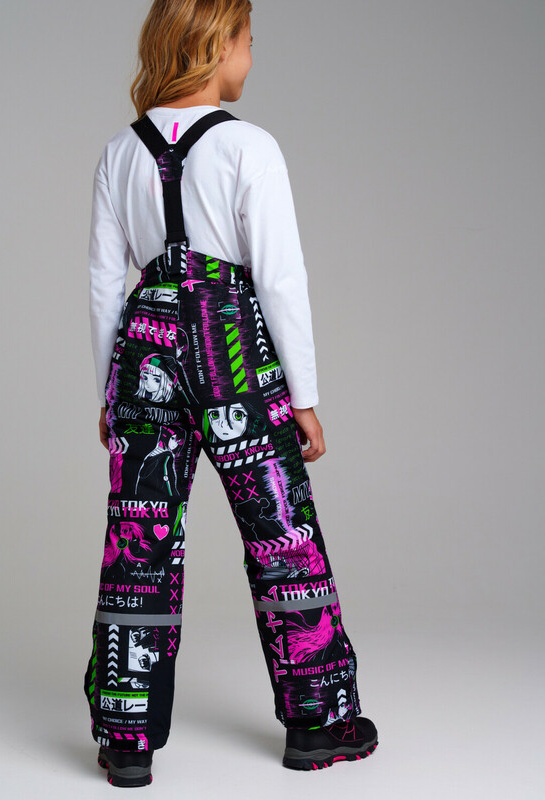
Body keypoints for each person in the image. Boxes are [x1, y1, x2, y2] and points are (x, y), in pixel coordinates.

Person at [83, 0, 378, 788]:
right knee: (280, 533)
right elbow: (279, 276)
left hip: (144, 351)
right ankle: (320, 723)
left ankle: (125, 738)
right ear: (216, 46)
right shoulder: (250, 147)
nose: (252, 54)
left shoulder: (118, 153)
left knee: (139, 536)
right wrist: (303, 395)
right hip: (229, 350)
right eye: (249, 40)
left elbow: (106, 283)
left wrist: (111, 391)